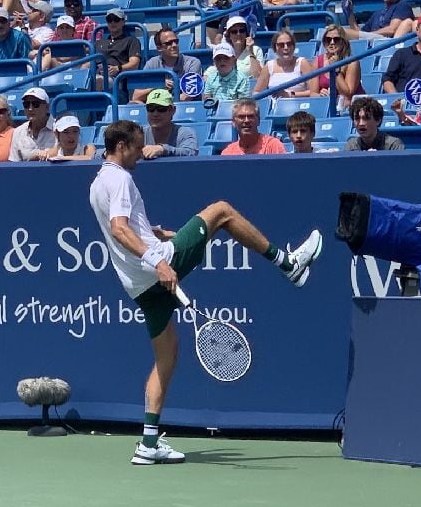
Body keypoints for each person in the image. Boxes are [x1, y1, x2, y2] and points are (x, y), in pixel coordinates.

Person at [88, 118, 323, 465]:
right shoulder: (121, 178)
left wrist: (151, 233)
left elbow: (124, 228)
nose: (141, 153)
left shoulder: (97, 183)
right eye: (137, 147)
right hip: (156, 268)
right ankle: (287, 264)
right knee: (222, 210)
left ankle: (148, 444)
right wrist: (158, 260)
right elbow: (120, 230)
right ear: (121, 146)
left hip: (136, 286)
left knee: (165, 356)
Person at [134, 27, 202, 103]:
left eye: (176, 41)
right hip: (158, 108)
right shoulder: (151, 64)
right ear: (159, 48)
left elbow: (188, 96)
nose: (174, 45)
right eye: (168, 43)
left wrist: (163, 101)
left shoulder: (192, 62)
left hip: (183, 108)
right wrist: (158, 86)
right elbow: (136, 96)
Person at [306, 23, 364, 110]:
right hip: (328, 106)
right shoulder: (318, 61)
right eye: (328, 39)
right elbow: (312, 93)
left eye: (336, 39)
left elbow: (347, 94)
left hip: (351, 107)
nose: (332, 42)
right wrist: (321, 95)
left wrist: (336, 70)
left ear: (343, 41)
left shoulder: (352, 63)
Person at [140, 88, 198, 158]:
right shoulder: (139, 134)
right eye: (150, 108)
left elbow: (191, 152)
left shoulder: (185, 133)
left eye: (161, 108)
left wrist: (163, 149)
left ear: (172, 110)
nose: (155, 114)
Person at [254, 28, 309, 98]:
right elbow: (257, 92)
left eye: (289, 44)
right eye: (281, 45)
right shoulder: (269, 66)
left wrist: (290, 95)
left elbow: (314, 92)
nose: (286, 48)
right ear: (275, 47)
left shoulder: (302, 63)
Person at [94, 6, 141, 90]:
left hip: (118, 78)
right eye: (109, 20)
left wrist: (118, 68)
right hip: (98, 73)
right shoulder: (99, 43)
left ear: (123, 22)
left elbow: (135, 64)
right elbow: (89, 62)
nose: (112, 23)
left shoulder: (131, 40)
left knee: (98, 81)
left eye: (116, 19)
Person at [220, 97, 285, 155]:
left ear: (258, 120)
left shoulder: (272, 146)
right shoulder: (228, 153)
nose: (246, 121)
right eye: (241, 117)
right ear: (233, 122)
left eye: (251, 116)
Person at [9, 87, 56, 161]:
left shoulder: (60, 129)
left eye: (35, 104)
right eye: (26, 105)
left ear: (47, 107)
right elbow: (14, 163)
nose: (30, 109)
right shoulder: (18, 132)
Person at [223, 15, 263, 81]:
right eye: (234, 32)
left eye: (241, 31)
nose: (238, 34)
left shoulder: (256, 50)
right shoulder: (224, 51)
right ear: (229, 35)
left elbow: (258, 76)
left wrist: (251, 52)